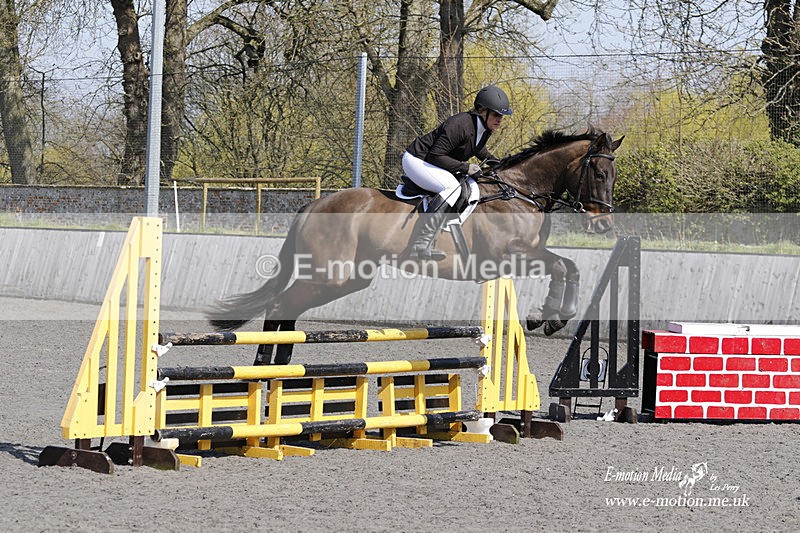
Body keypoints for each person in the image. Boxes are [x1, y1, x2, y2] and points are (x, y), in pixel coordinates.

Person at [402, 85, 512, 260]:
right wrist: (465, 167)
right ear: (482, 111)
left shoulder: (483, 128)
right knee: (451, 187)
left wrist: (502, 165)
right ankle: (421, 243)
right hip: (417, 159)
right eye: (496, 114)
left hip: (434, 161)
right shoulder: (459, 124)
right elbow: (435, 155)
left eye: (502, 116)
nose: (500, 119)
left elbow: (479, 150)